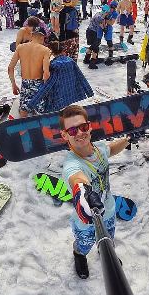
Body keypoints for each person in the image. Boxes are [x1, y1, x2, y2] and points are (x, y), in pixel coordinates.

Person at [60, 104, 131, 279]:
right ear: (64, 135)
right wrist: (82, 192)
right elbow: (76, 178)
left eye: (83, 127)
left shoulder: (98, 148)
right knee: (85, 245)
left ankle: (106, 253)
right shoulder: (72, 164)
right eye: (72, 130)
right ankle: (79, 255)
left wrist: (128, 139)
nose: (79, 133)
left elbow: (111, 149)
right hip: (86, 221)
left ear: (89, 127)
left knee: (109, 238)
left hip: (109, 210)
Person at [27, 41, 93, 113]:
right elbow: (81, 78)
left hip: (59, 102)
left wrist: (30, 105)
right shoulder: (71, 61)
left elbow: (47, 86)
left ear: (51, 52)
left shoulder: (54, 66)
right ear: (62, 50)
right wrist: (90, 93)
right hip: (74, 98)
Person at [8, 25, 51, 117]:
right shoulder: (45, 50)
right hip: (39, 83)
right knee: (40, 113)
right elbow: (46, 73)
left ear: (32, 35)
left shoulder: (20, 47)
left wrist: (14, 85)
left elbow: (10, 68)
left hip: (25, 83)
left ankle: (24, 128)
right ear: (42, 37)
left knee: (23, 111)